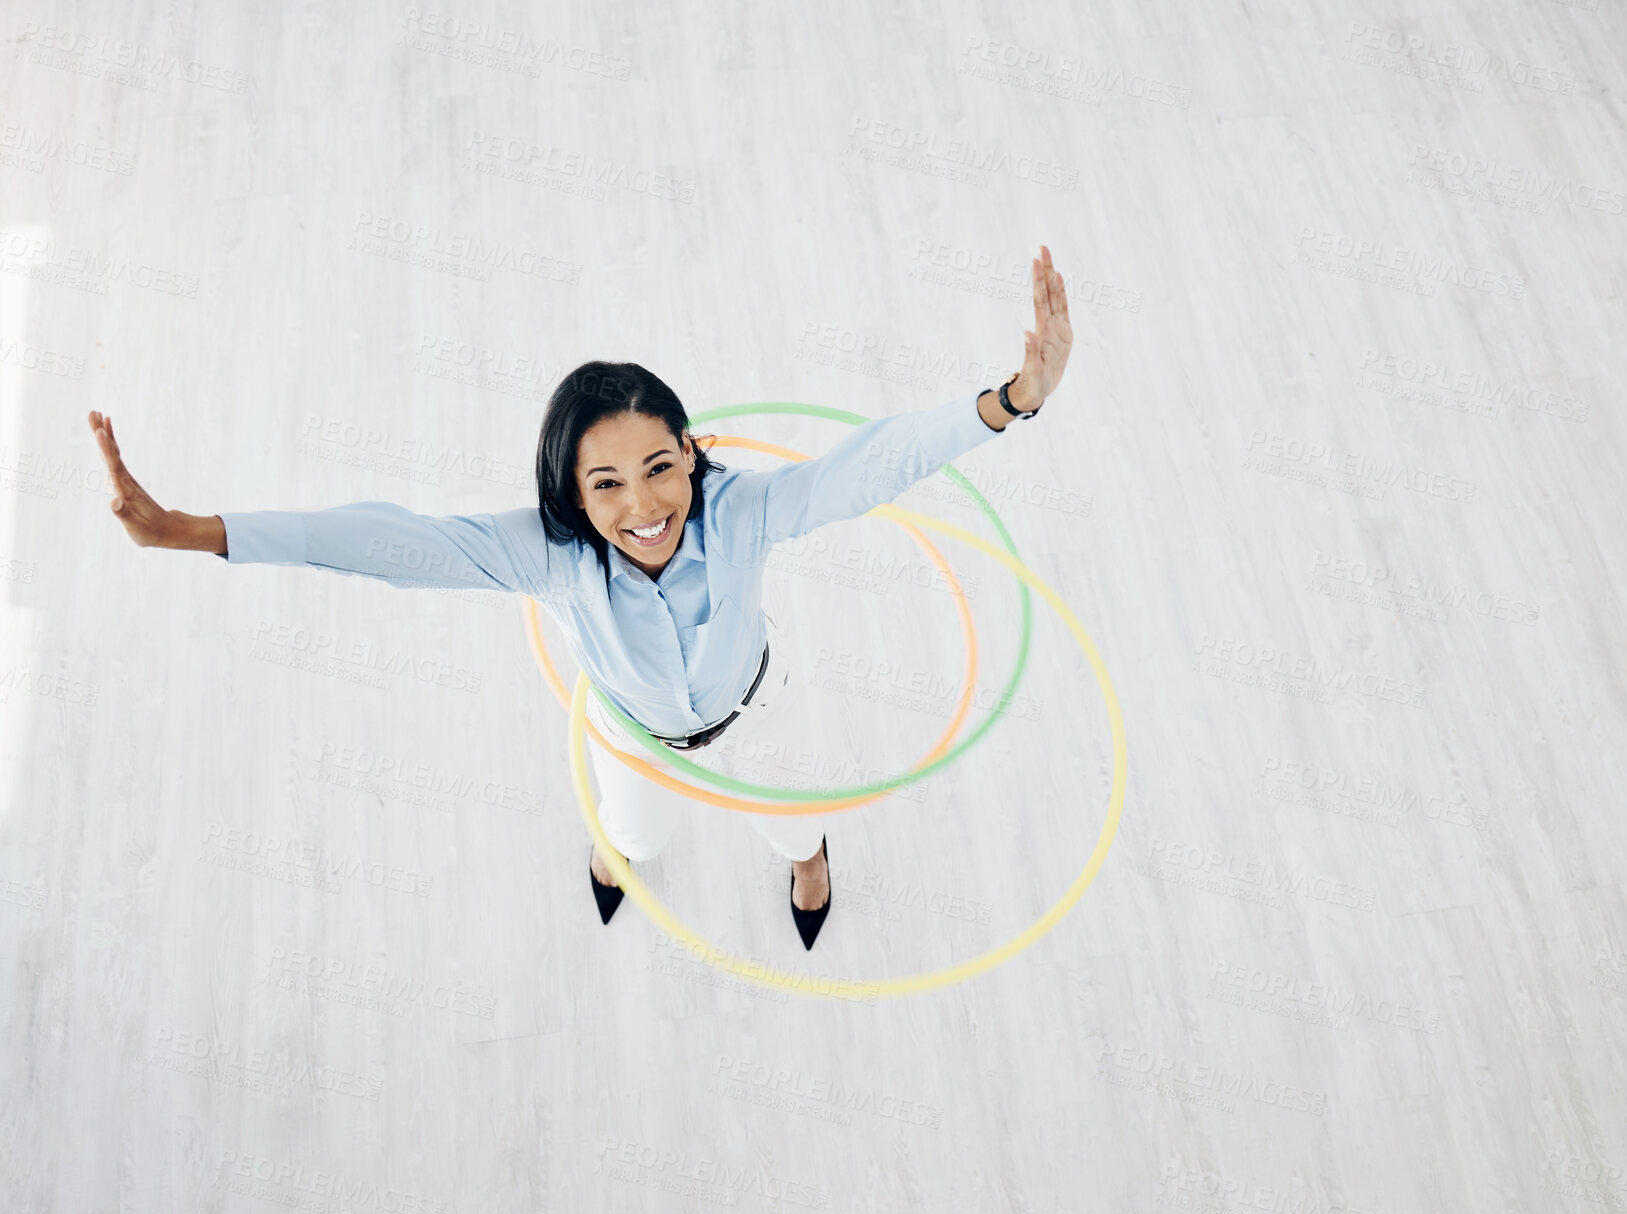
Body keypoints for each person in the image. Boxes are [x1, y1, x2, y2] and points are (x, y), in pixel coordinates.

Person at [87, 245, 1072, 950]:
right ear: (569, 490)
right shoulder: (548, 557)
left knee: (792, 816)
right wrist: (193, 530)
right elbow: (392, 542)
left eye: (659, 465)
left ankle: (807, 865)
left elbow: (871, 463)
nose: (644, 505)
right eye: (607, 485)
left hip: (754, 711)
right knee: (626, 832)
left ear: (690, 449)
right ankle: (623, 858)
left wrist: (1014, 396)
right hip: (630, 733)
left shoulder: (747, 511)